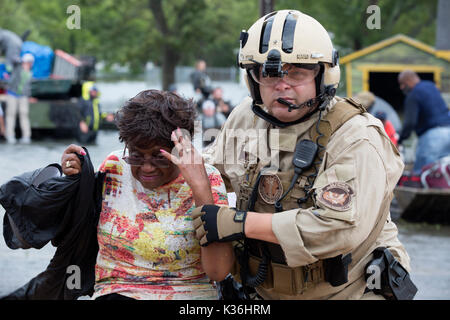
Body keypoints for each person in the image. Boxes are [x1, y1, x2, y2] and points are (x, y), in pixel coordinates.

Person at [192, 10, 415, 300]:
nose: (281, 84)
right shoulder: (245, 118)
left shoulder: (357, 136)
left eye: (296, 71)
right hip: (264, 290)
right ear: (253, 79)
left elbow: (338, 229)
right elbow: (212, 173)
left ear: (323, 75)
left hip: (350, 292)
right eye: (268, 74)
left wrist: (238, 223)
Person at [61, 89, 232, 300]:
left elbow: (218, 271)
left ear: (180, 148)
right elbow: (71, 225)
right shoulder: (114, 168)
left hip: (188, 294)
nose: (147, 167)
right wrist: (73, 179)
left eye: (159, 157)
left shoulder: (209, 179)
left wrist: (201, 190)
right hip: (118, 291)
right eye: (136, 156)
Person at [397, 70, 450, 175]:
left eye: (402, 84)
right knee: (443, 174)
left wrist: (401, 139)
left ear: (408, 80)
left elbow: (410, 123)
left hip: (433, 137)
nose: (401, 87)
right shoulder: (431, 86)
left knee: (422, 173)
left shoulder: (413, 95)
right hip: (448, 131)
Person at [5, 53, 36, 144]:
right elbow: (12, 59)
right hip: (12, 94)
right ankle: (10, 135)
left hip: (23, 96)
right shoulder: (17, 67)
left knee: (24, 115)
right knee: (11, 114)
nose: (29, 64)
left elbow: (28, 86)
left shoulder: (30, 73)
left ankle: (26, 136)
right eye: (28, 62)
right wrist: (22, 61)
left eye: (30, 62)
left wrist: (29, 96)